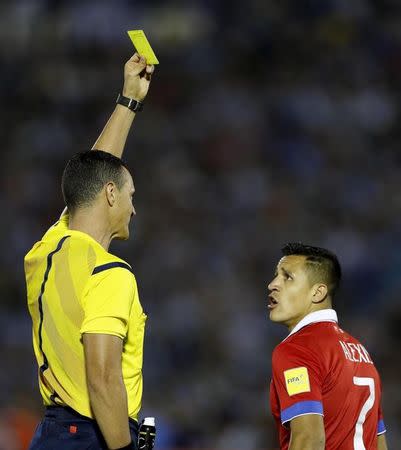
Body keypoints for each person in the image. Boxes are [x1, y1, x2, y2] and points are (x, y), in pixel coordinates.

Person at [24, 53, 155, 450]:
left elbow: (91, 179)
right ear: (112, 194)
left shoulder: (46, 251)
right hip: (96, 436)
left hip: (51, 434)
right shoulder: (109, 273)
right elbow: (102, 376)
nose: (134, 208)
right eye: (130, 195)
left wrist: (129, 99)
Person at [268, 242, 388, 450]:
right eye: (276, 275)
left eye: (287, 277)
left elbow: (310, 440)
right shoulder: (361, 352)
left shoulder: (297, 349)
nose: (273, 284)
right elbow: (379, 442)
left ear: (318, 293)